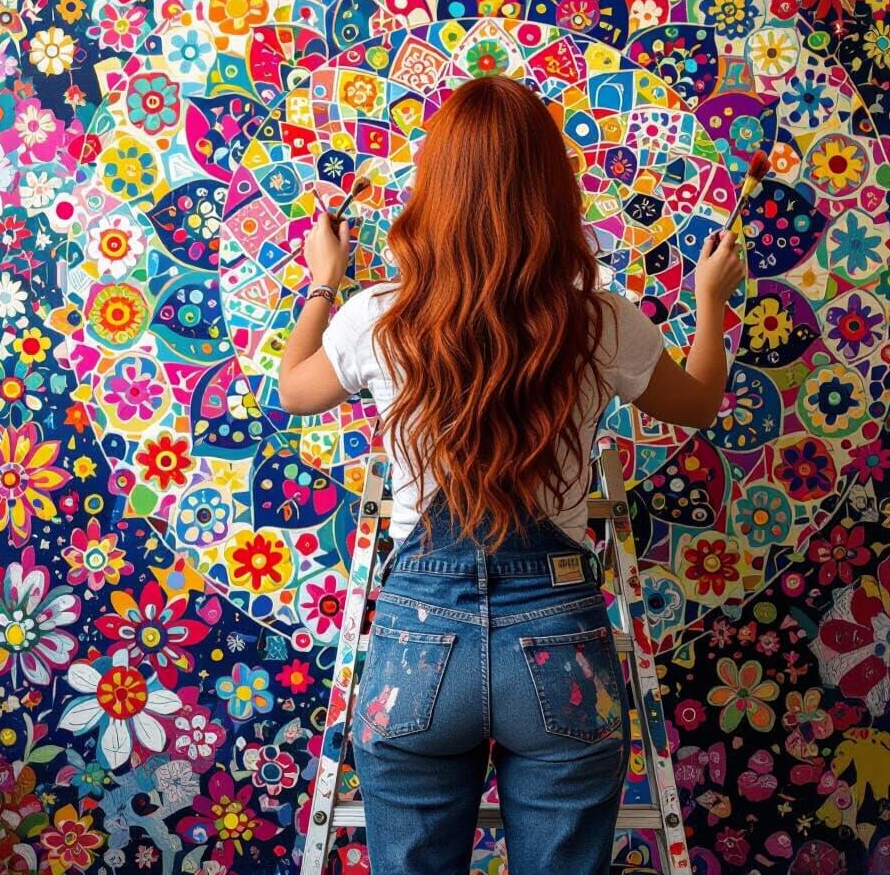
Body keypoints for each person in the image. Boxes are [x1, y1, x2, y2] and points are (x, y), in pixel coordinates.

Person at [277, 75, 746, 875]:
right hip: (559, 645)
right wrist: (712, 298)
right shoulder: (598, 319)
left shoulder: (380, 317)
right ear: (550, 190)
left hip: (417, 641)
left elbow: (290, 389)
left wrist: (325, 277)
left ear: (436, 189)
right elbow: (699, 402)